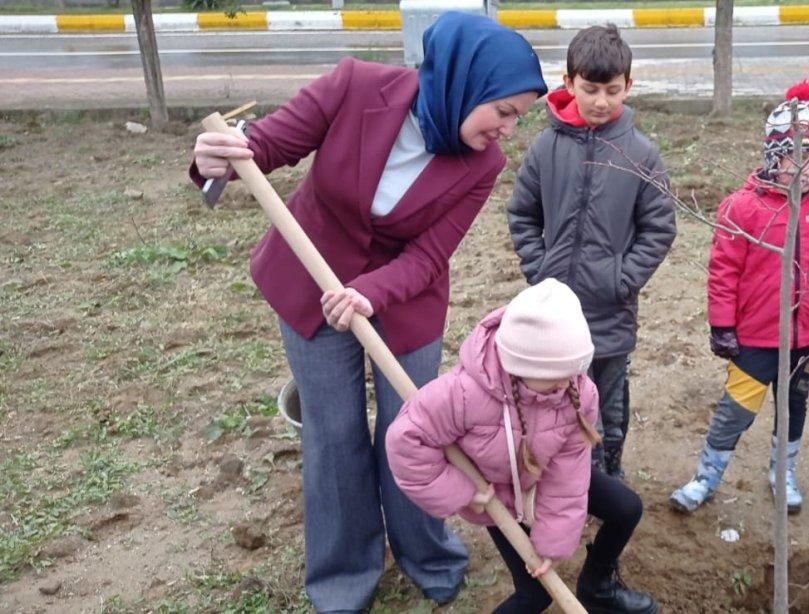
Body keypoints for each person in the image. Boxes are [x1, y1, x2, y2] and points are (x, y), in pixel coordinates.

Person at [190, 13, 548, 611]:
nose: (510, 129)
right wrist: (218, 156)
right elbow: (266, 145)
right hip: (310, 284)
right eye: (505, 111)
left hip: (404, 301)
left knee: (411, 433)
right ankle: (342, 577)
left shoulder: (481, 165)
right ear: (467, 85)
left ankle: (426, 554)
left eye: (519, 117)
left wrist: (369, 293)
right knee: (333, 436)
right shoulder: (357, 86)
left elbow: (429, 254)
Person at [386, 279, 659, 614]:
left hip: (543, 472)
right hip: (498, 494)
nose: (567, 382)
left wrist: (553, 542)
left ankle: (597, 587)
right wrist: (462, 492)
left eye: (572, 370)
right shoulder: (462, 393)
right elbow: (406, 443)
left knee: (626, 508)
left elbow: (569, 470)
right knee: (535, 595)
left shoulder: (576, 391)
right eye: (555, 374)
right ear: (520, 366)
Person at [669, 81, 809, 515]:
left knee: (794, 403)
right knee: (736, 409)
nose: (803, 166)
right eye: (792, 155)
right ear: (773, 155)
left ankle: (783, 472)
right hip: (756, 336)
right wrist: (721, 325)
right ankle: (707, 474)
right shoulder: (743, 208)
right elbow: (724, 271)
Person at [506, 25, 676, 479]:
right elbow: (523, 214)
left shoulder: (641, 153)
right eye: (590, 88)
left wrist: (622, 278)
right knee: (559, 402)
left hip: (610, 310)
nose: (601, 100)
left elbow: (660, 227)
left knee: (610, 403)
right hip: (555, 312)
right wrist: (539, 270)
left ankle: (609, 477)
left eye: (612, 90)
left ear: (628, 86)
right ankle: (569, 478)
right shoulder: (546, 148)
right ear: (568, 83)